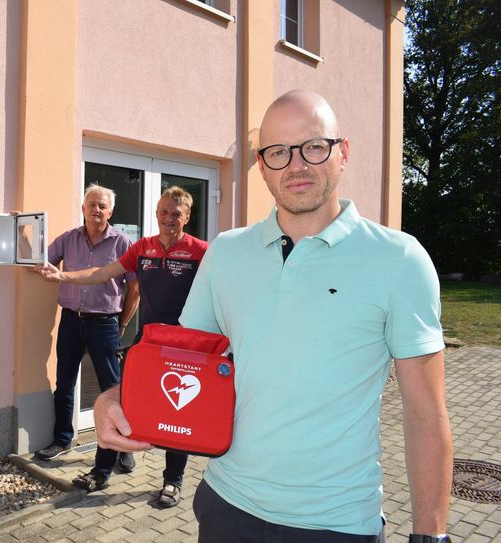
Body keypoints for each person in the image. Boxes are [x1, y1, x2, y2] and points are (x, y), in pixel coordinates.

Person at [93, 90, 453, 543]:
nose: (296, 165)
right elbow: (180, 357)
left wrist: (430, 536)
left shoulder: (399, 259)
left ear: (343, 152)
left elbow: (425, 414)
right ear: (262, 166)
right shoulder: (226, 252)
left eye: (314, 146)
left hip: (335, 523)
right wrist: (115, 397)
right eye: (278, 151)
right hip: (226, 507)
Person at [36, 186, 209, 509]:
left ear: (187, 217)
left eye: (176, 213)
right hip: (147, 343)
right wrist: (63, 276)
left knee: (177, 409)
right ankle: (102, 471)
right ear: (156, 214)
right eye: (164, 212)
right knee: (121, 401)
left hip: (185, 346)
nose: (169, 219)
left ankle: (172, 481)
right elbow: (102, 273)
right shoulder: (142, 248)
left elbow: (221, 290)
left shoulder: (201, 251)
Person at [34, 185, 140, 473]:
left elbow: (134, 286)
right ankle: (62, 440)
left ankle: (121, 447)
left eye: (101, 206)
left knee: (112, 389)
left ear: (110, 212)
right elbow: (40, 263)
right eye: (91, 204)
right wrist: (22, 236)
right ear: (82, 208)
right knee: (64, 383)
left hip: (105, 323)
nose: (96, 209)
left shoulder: (122, 242)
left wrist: (124, 323)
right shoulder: (69, 239)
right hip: (70, 319)